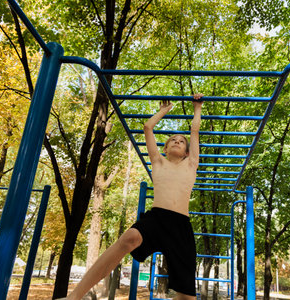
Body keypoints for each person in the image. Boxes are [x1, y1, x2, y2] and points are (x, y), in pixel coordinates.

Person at [61, 94, 204, 300]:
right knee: (129, 238)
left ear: (186, 152)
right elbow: (148, 128)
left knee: (186, 296)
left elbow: (195, 130)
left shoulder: (190, 164)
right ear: (164, 148)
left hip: (181, 226)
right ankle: (74, 296)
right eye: (173, 139)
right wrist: (163, 111)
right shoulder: (158, 162)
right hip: (157, 218)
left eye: (182, 141)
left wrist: (197, 108)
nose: (177, 141)